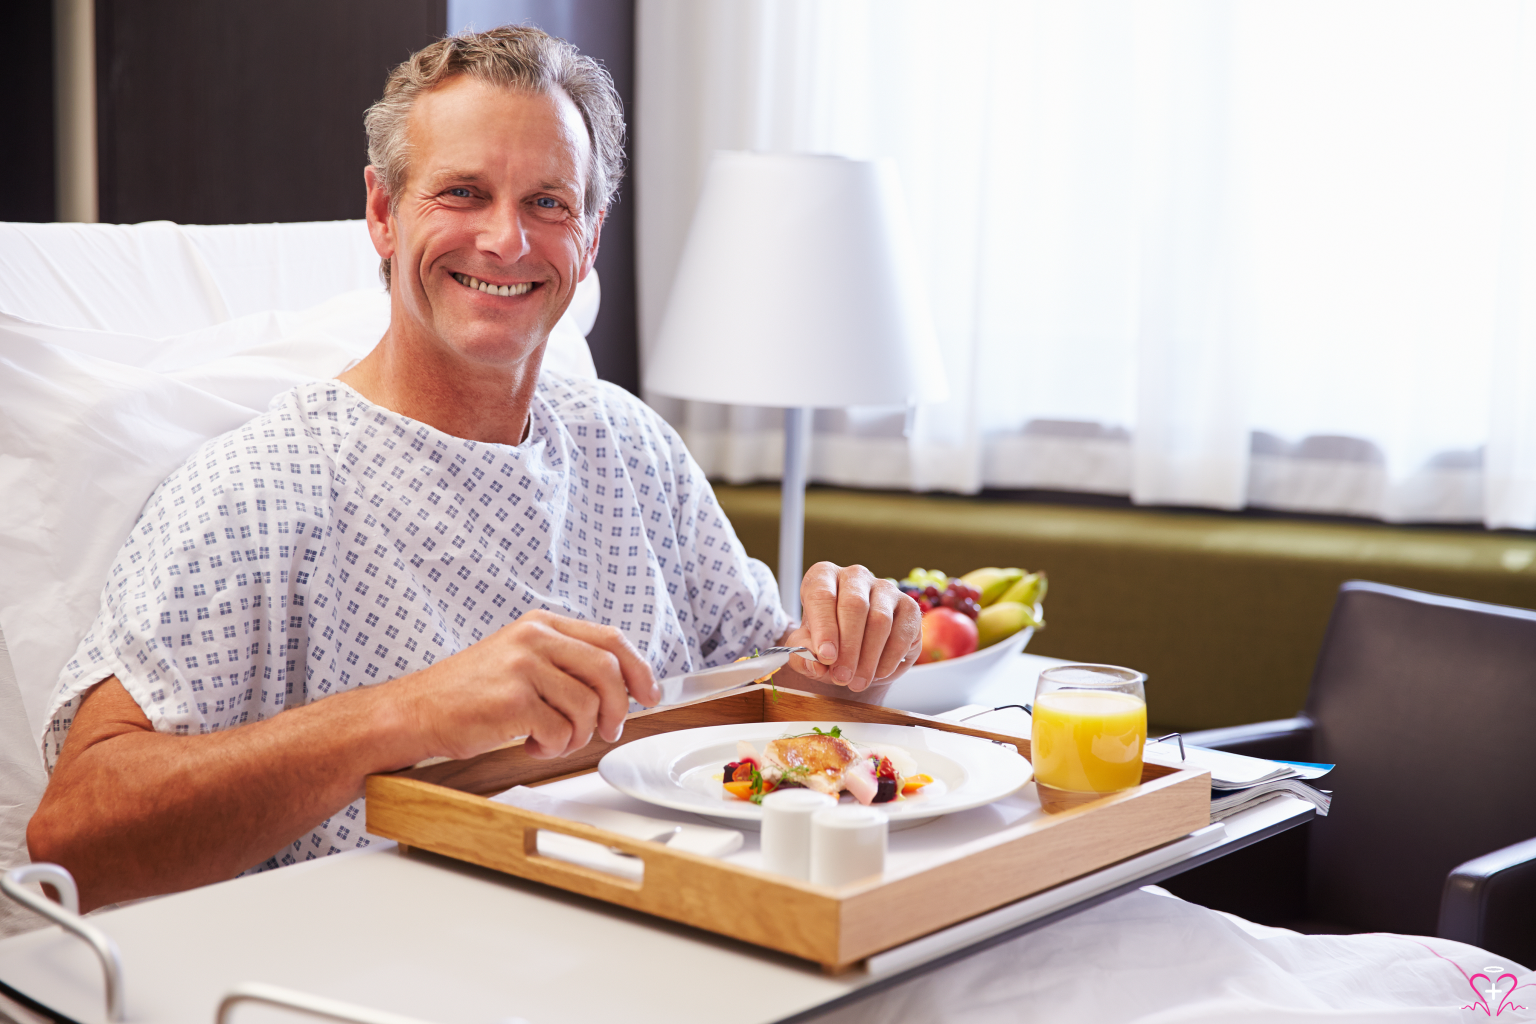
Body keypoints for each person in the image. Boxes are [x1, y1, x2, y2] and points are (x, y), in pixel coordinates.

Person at [26, 27, 922, 914]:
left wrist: (850, 659)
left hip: (681, 927)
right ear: (382, 213)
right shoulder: (262, 491)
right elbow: (77, 843)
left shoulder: (631, 447)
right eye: (462, 192)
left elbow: (765, 710)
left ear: (592, 233)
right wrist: (409, 715)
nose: (506, 240)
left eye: (548, 203)